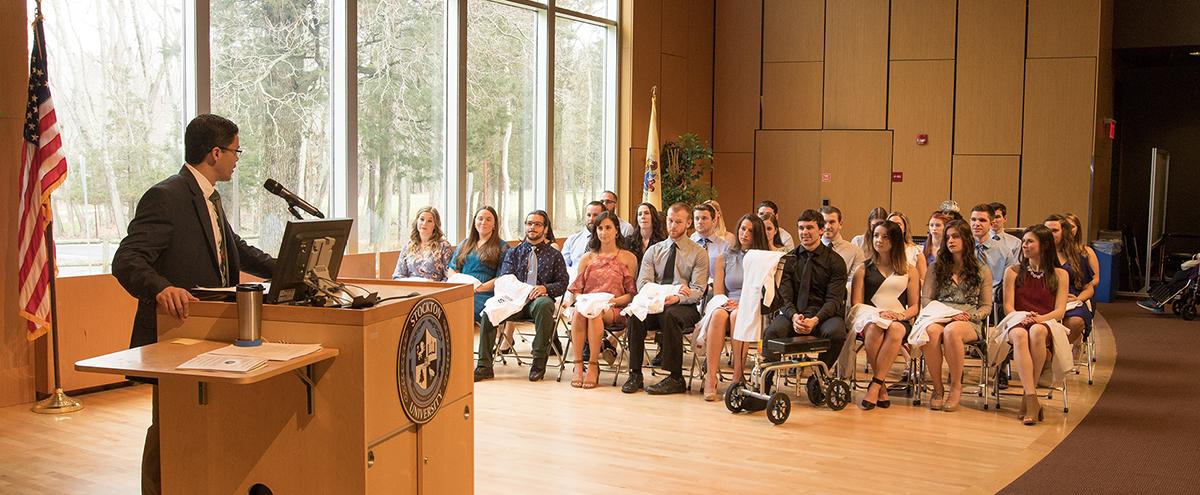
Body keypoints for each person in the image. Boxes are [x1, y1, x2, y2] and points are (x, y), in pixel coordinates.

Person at [112, 114, 278, 495]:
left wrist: (286, 270)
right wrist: (161, 288)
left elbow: (236, 250)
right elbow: (127, 260)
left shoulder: (209, 198)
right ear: (215, 152)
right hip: (179, 334)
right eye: (236, 151)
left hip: (216, 335)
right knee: (170, 426)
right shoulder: (167, 196)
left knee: (204, 425)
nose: (238, 159)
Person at [474, 210, 570, 382]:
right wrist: (525, 291)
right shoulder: (514, 252)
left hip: (538, 303)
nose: (532, 227)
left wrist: (544, 288)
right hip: (514, 301)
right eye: (529, 223)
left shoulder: (554, 255)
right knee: (489, 310)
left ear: (545, 229)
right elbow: (506, 279)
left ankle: (538, 363)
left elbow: (563, 283)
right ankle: (484, 366)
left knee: (543, 304)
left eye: (538, 224)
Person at [622, 203, 708, 395]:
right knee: (636, 315)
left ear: (687, 223)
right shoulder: (654, 250)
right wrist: (671, 291)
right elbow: (643, 284)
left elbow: (697, 290)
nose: (673, 226)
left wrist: (676, 297)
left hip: (683, 307)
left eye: (678, 222)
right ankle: (635, 373)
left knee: (670, 314)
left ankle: (675, 377)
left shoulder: (698, 253)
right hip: (655, 302)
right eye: (670, 221)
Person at [920, 220, 992, 412]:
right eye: (948, 237)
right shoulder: (936, 268)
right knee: (930, 332)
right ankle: (937, 388)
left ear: (967, 240)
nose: (951, 240)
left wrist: (971, 316)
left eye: (956, 236)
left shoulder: (981, 270)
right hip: (939, 315)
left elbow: (986, 306)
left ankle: (956, 387)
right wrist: (942, 314)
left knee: (952, 331)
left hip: (967, 319)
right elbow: (926, 299)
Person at [763, 209, 848, 370]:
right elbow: (784, 297)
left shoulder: (835, 261)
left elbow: (834, 300)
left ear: (821, 230)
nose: (804, 232)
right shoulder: (789, 259)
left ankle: (820, 376)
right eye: (801, 228)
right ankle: (766, 383)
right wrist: (794, 317)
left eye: (809, 228)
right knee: (771, 333)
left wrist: (815, 319)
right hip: (794, 314)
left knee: (836, 333)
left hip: (824, 316)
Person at [1002, 225, 1069, 426]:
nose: (1025, 245)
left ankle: (1027, 396)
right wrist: (1023, 317)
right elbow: (1008, 306)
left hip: (1045, 321)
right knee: (1022, 336)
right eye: (1024, 241)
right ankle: (1032, 399)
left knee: (1037, 331)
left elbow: (1060, 311)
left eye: (1030, 241)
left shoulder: (1060, 274)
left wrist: (1039, 319)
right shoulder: (1012, 272)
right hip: (1017, 320)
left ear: (1045, 245)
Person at [851, 220, 920, 410]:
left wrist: (900, 316)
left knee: (896, 330)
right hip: (870, 318)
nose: (879, 240)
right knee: (874, 328)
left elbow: (915, 306)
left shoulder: (910, 270)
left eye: (885, 236)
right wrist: (877, 313)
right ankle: (880, 386)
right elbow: (856, 303)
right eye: (876, 236)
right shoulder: (863, 269)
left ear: (895, 241)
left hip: (899, 319)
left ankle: (875, 385)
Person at [566, 212, 638, 389]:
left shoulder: (628, 258)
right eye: (600, 228)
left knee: (594, 314)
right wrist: (583, 301)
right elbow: (576, 290)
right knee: (581, 312)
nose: (604, 232)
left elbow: (631, 294)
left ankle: (593, 365)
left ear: (616, 231)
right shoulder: (587, 258)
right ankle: (578, 364)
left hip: (614, 306)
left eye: (608, 228)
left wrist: (611, 302)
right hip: (588, 305)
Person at [701, 214, 769, 401]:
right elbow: (718, 292)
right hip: (726, 301)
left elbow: (764, 291)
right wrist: (725, 303)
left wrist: (743, 303)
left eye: (750, 231)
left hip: (751, 305)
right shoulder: (724, 257)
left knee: (737, 316)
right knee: (718, 316)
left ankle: (737, 376)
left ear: (758, 235)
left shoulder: (762, 259)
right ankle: (711, 377)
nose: (745, 234)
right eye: (742, 229)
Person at [448, 206, 508, 324]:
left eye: (488, 219)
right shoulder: (465, 244)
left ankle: (465, 341)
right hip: (462, 290)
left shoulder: (502, 247)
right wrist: (462, 287)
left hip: (485, 293)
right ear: (475, 222)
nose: (483, 222)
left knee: (462, 309)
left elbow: (502, 277)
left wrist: (479, 288)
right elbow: (452, 270)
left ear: (494, 225)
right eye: (480, 218)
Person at [1045, 214, 1095, 345]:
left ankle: (1058, 351)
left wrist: (1078, 299)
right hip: (1045, 299)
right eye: (1047, 231)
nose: (1050, 234)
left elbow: (1089, 288)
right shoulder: (1037, 255)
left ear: (1064, 233)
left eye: (1055, 231)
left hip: (1071, 300)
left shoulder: (1078, 257)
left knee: (1076, 321)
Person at [392, 206, 454, 281]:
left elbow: (449, 277)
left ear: (435, 225)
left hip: (435, 290)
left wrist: (436, 286)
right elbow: (397, 276)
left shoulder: (444, 246)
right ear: (417, 221)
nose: (424, 223)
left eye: (429, 221)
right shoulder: (408, 246)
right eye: (422, 219)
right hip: (410, 290)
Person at [969, 204, 1014, 290]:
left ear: (991, 224)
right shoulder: (961, 249)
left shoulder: (1005, 252)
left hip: (993, 299)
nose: (976, 224)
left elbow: (1009, 285)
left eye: (982, 220)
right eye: (973, 220)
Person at [820, 205, 865, 287]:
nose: (827, 226)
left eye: (832, 222)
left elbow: (854, 284)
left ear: (840, 224)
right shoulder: (810, 250)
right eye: (824, 222)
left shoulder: (856, 252)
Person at [562, 201, 605, 270]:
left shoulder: (608, 242)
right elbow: (563, 266)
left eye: (595, 215)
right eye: (588, 215)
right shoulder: (572, 240)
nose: (591, 219)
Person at [691, 202, 729, 275]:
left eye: (704, 218)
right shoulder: (688, 244)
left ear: (714, 221)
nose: (700, 222)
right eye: (697, 218)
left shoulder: (725, 247)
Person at [625, 202, 667, 269]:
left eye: (646, 213)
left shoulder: (662, 242)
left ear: (653, 217)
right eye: (640, 214)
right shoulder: (628, 241)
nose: (643, 216)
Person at [921, 211, 953, 281]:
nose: (934, 228)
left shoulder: (950, 247)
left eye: (938, 225)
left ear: (945, 227)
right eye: (931, 225)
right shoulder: (921, 248)